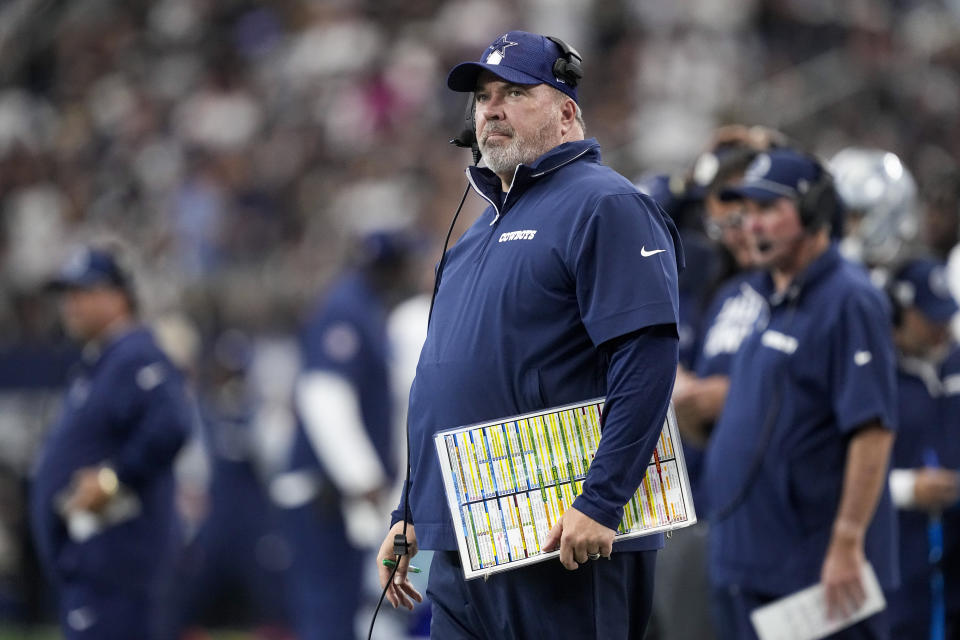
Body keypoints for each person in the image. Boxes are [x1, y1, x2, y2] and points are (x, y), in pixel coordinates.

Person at [376, 31, 683, 639]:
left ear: (567, 111)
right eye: (484, 96)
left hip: (561, 535)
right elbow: (440, 383)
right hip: (470, 536)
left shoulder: (606, 205)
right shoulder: (472, 236)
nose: (491, 107)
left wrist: (602, 501)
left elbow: (645, 359)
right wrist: (412, 511)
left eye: (515, 92)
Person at [704, 149, 899, 639]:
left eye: (769, 210)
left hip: (813, 578)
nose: (752, 226)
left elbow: (873, 430)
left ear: (814, 212)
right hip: (748, 567)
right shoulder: (768, 296)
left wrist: (848, 542)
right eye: (747, 212)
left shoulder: (850, 299)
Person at [29, 245, 192, 640]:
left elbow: (172, 424)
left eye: (83, 292)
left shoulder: (134, 355)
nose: (71, 304)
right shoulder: (102, 361)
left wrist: (112, 479)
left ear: (118, 296)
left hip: (116, 561)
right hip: (94, 561)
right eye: (67, 295)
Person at [275, 228, 421, 640]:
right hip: (325, 495)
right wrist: (364, 478)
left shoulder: (365, 308)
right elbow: (323, 397)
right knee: (329, 612)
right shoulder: (347, 308)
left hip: (338, 496)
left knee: (350, 611)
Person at [884, 258, 960, 639]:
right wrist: (906, 489)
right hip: (898, 566)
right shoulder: (876, 374)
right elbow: (830, 471)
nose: (941, 327)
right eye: (928, 317)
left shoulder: (955, 362)